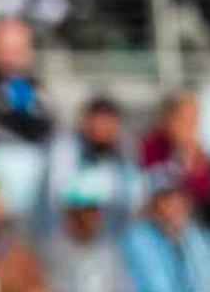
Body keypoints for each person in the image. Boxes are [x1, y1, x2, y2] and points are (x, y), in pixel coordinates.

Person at [122, 168, 210, 292]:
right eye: (162, 201)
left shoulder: (198, 237)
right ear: (152, 206)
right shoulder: (138, 240)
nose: (169, 208)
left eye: (174, 199)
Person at [44, 174, 139, 292]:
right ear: (71, 214)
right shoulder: (53, 251)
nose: (92, 217)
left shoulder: (110, 250)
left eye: (95, 210)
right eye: (86, 210)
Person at [43, 95, 142, 235]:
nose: (102, 129)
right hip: (71, 232)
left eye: (108, 123)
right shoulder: (66, 148)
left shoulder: (125, 154)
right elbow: (58, 194)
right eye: (97, 122)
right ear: (84, 122)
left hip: (112, 233)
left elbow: (133, 200)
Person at [138, 92, 210, 227]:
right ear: (168, 119)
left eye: (194, 121)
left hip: (189, 229)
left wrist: (193, 163)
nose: (190, 128)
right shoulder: (150, 147)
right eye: (183, 119)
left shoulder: (201, 157)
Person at [0, 17, 54, 145]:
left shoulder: (40, 93)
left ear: (29, 53)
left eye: (17, 52)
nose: (10, 61)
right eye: (3, 52)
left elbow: (49, 129)